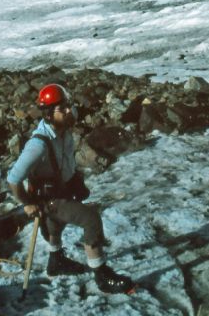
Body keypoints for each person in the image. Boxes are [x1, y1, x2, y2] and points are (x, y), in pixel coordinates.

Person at [7, 83, 133, 293]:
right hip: (47, 198)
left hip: (60, 189)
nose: (69, 111)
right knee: (90, 219)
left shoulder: (63, 131)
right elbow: (13, 179)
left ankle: (56, 261)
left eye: (68, 105)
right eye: (62, 108)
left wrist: (76, 181)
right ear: (48, 113)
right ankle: (102, 277)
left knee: (56, 224)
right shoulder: (38, 145)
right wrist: (27, 204)